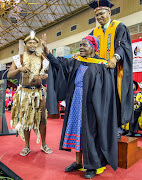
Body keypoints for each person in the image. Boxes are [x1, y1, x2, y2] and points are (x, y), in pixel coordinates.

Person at [41, 34, 118, 179]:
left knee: (90, 133)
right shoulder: (77, 62)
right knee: (78, 131)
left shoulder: (101, 65)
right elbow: (59, 64)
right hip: (76, 102)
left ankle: (91, 165)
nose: (81, 48)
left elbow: (106, 89)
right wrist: (47, 52)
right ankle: (78, 162)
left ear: (93, 48)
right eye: (80, 45)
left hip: (92, 105)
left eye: (85, 45)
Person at [89, 0, 134, 136]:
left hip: (115, 71)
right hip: (98, 73)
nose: (99, 17)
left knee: (115, 98)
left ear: (109, 12)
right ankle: (101, 126)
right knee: (100, 99)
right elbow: (90, 49)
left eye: (101, 13)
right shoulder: (94, 32)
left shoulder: (119, 27)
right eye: (96, 15)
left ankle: (118, 126)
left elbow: (122, 46)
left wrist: (115, 58)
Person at [7, 31, 52, 156]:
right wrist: (19, 69)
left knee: (42, 119)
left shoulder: (41, 57)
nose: (32, 44)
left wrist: (45, 75)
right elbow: (9, 74)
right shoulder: (19, 58)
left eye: (34, 43)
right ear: (26, 44)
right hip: (25, 93)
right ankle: (26, 146)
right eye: (30, 42)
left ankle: (44, 144)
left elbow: (49, 72)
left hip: (39, 92)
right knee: (26, 119)